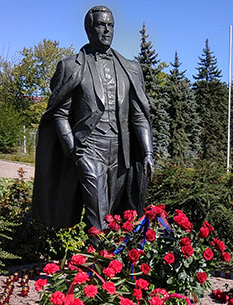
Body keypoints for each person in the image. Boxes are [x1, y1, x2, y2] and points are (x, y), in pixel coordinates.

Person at [33, 5, 153, 231]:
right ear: (89, 29)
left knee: (116, 217)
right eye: (101, 25)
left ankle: (104, 262)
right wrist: (73, 151)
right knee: (99, 215)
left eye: (110, 25)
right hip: (89, 149)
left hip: (121, 153)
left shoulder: (131, 68)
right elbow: (59, 113)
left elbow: (139, 116)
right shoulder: (71, 66)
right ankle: (103, 263)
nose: (107, 30)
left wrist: (147, 152)